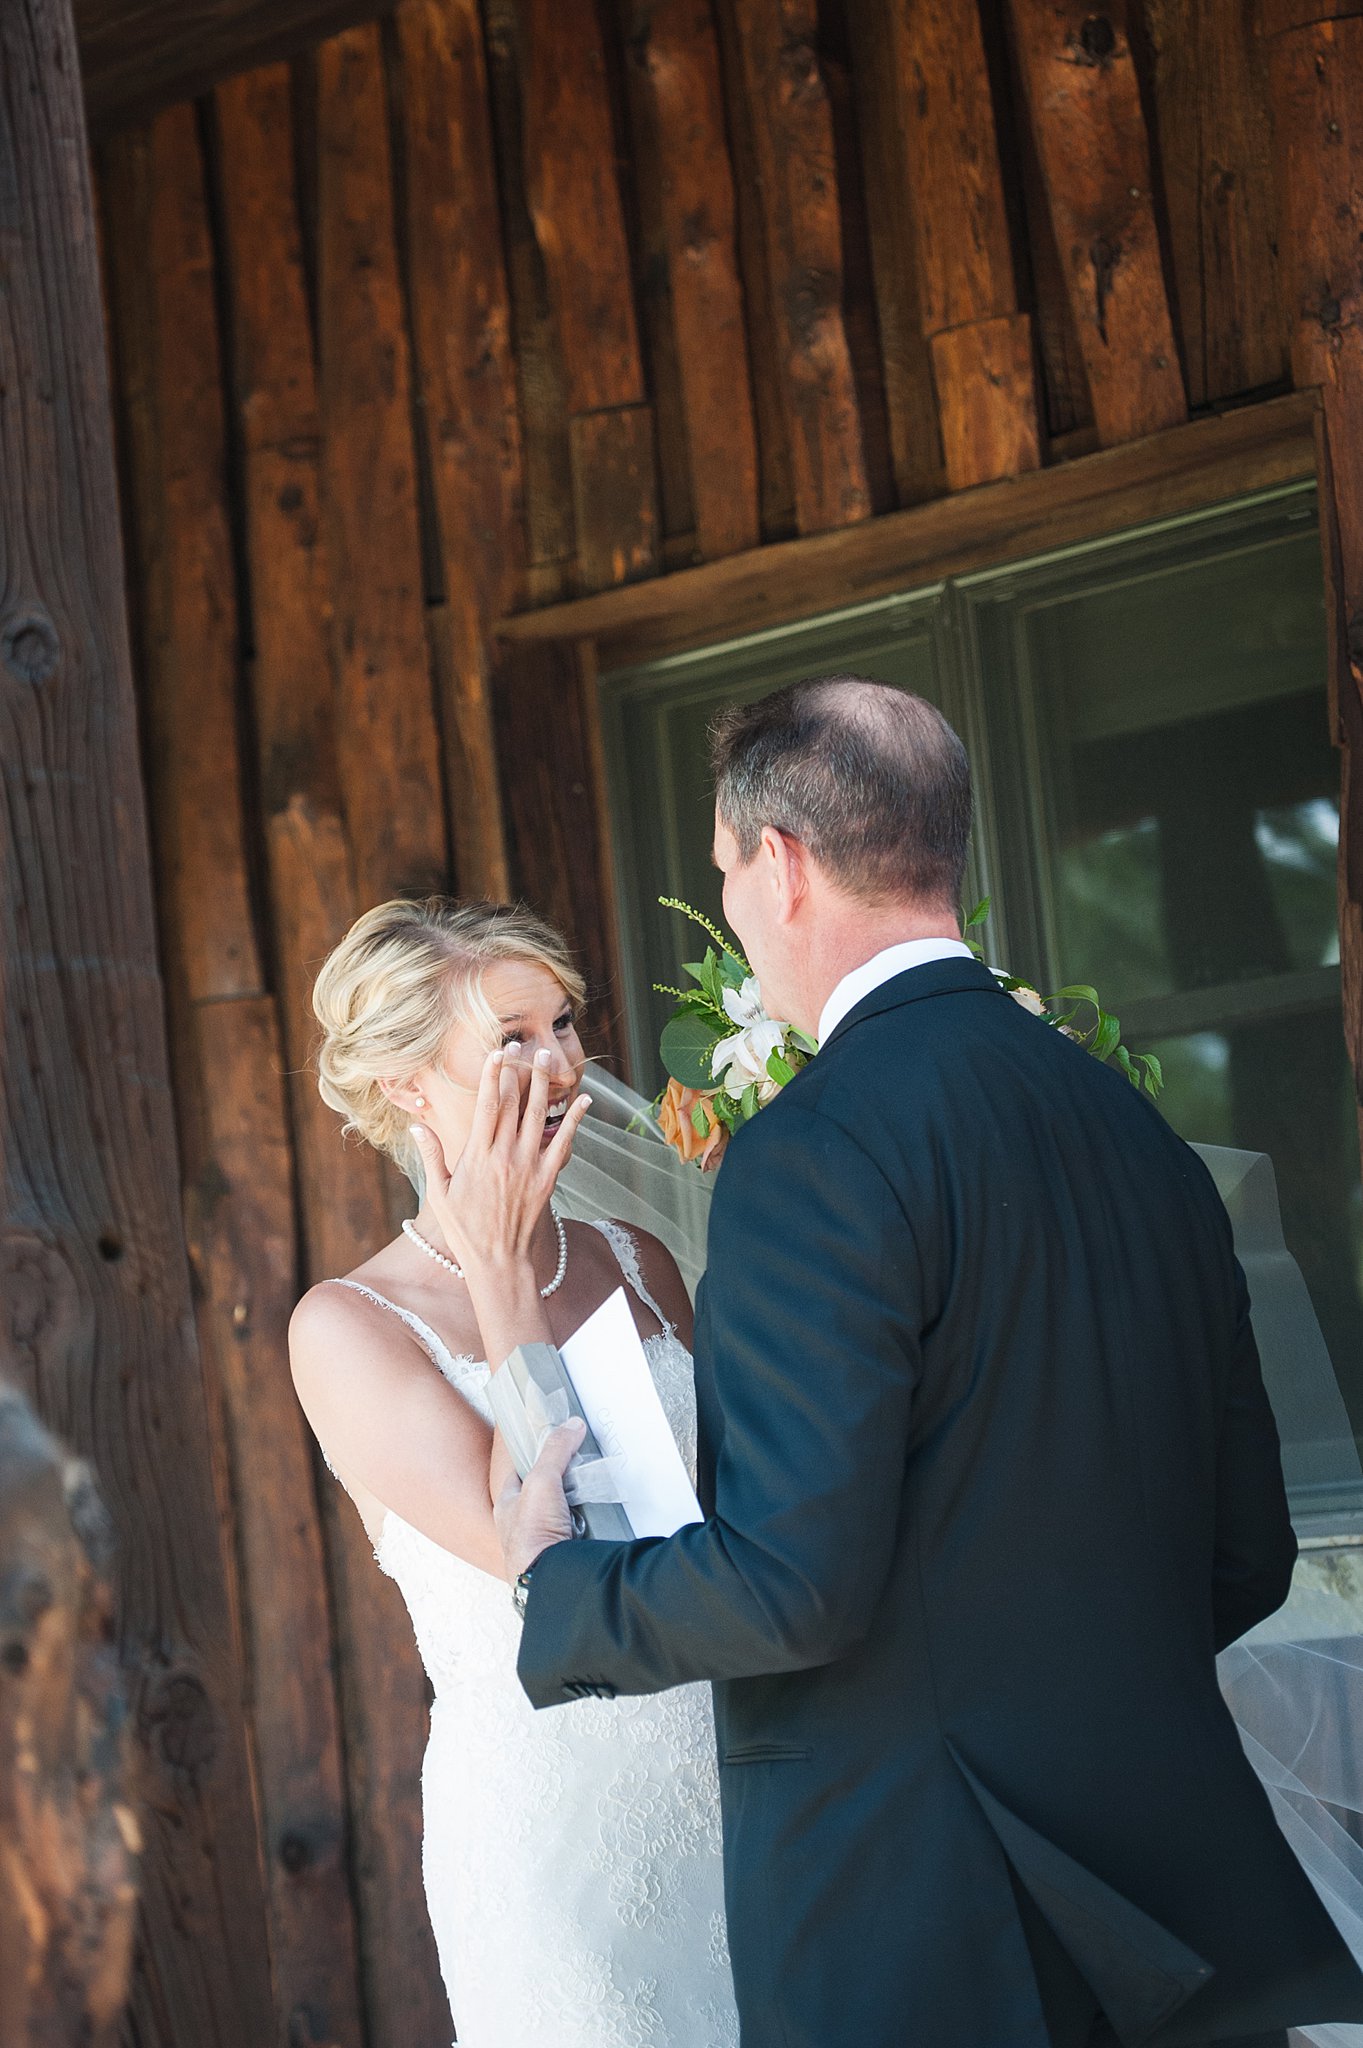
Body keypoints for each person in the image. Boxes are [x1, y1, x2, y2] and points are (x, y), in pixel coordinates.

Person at [498, 675, 1363, 2048]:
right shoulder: (1141, 1142)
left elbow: (793, 1587)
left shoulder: (809, 1153)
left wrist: (563, 1582)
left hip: (918, 1917)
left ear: (777, 866)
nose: (730, 905)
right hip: (1168, 1906)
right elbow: (1243, 1552)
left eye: (722, 874)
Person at [289, 897, 739, 2048]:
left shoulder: (635, 1259)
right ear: (403, 1084)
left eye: (563, 1023)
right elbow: (548, 1567)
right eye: (510, 1037)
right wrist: (495, 1270)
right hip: (558, 1833)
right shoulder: (346, 1326)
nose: (558, 1061)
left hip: (740, 1776)